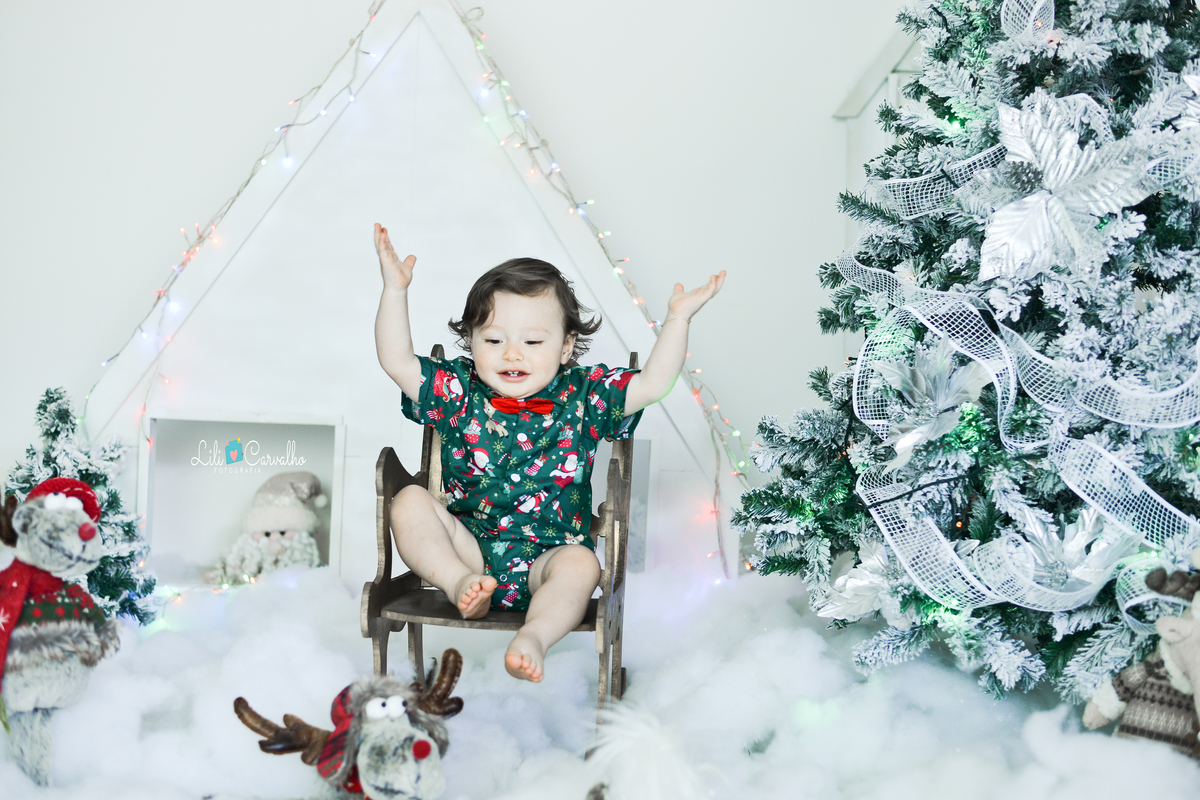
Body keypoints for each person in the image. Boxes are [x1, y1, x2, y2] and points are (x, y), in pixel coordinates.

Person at [373, 223, 724, 682]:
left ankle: (534, 636)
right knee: (410, 502)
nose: (512, 354)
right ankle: (461, 586)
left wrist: (678, 320)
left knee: (583, 565)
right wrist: (394, 291)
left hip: (550, 559)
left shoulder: (585, 396)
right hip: (469, 550)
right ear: (472, 343)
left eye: (532, 342)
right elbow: (396, 361)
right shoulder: (459, 390)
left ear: (565, 347)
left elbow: (653, 384)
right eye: (493, 340)